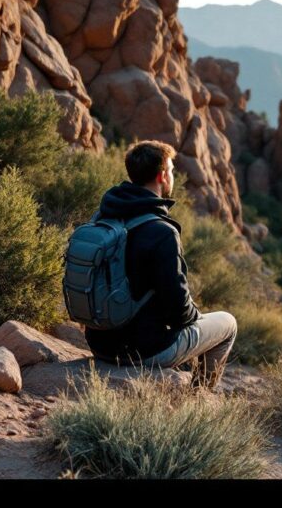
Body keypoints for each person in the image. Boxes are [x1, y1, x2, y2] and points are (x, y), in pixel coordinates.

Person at [84, 140, 237, 390]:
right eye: (172, 171)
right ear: (162, 175)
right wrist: (195, 315)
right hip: (145, 352)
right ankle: (200, 397)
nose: (173, 176)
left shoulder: (104, 216)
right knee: (228, 324)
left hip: (100, 343)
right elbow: (178, 311)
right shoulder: (161, 231)